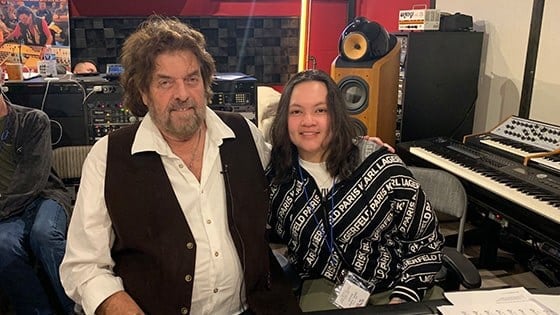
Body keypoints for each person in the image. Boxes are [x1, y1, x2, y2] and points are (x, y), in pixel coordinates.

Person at [59, 16, 301, 315]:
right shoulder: (107, 156)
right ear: (143, 92)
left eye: (191, 79)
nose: (183, 94)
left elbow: (300, 173)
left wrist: (358, 151)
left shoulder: (244, 134)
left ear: (205, 83)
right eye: (165, 82)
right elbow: (83, 266)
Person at [266, 69, 445, 311]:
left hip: (398, 284)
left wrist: (404, 296)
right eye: (296, 111)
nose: (308, 121)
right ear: (284, 119)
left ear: (336, 115)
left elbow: (426, 240)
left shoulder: (380, 165)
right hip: (323, 287)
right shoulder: (277, 179)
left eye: (320, 110)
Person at [0, 69, 75, 313]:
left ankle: (79, 307)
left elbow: (31, 182)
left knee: (44, 235)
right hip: (5, 212)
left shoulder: (34, 120)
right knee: (2, 245)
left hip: (44, 197)